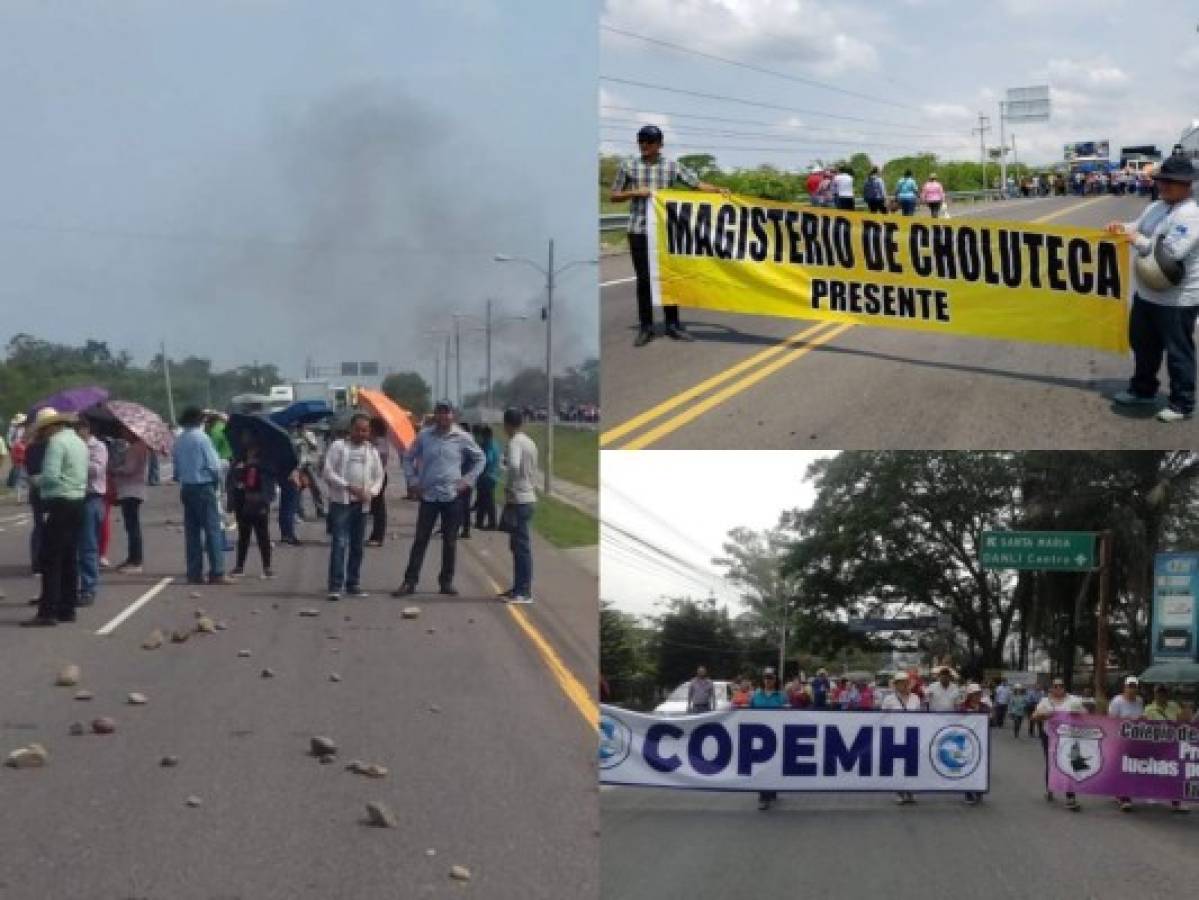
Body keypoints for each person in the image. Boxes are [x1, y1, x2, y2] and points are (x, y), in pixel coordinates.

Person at [610, 124, 727, 347]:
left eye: (649, 141)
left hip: (665, 232)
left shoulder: (672, 167)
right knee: (644, 281)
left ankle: (672, 324)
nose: (644, 145)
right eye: (641, 141)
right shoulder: (628, 166)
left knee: (669, 277)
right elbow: (614, 195)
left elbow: (696, 184)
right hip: (639, 230)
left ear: (660, 145)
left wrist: (719, 190)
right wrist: (635, 192)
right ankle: (646, 327)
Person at [1105, 155, 1199, 422]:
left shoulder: (1191, 216)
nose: (1165, 185)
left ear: (1187, 185)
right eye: (1162, 180)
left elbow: (1170, 252)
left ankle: (1182, 403)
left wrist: (1136, 239)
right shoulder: (1156, 206)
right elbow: (1136, 227)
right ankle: (1143, 390)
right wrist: (1120, 227)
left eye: (1172, 182)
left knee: (1178, 352)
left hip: (1178, 299)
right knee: (1143, 346)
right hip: (1147, 294)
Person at [393, 403, 482, 597]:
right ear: (435, 415)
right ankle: (409, 581)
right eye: (439, 413)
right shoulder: (425, 436)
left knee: (450, 541)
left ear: (453, 416)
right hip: (429, 495)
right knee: (421, 539)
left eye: (446, 413)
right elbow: (408, 457)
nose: (443, 417)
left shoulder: (462, 437)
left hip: (452, 496)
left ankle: (446, 582)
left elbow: (480, 458)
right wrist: (413, 480)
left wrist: (468, 480)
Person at [22, 411, 87, 627]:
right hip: (78, 500)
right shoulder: (78, 442)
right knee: (69, 557)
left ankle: (47, 611)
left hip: (59, 501)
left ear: (50, 427)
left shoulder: (56, 444)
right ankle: (67, 608)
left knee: (50, 559)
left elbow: (50, 476)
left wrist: (35, 480)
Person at [323, 413, 384, 601]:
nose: (361, 433)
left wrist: (370, 493)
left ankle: (353, 584)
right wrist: (348, 486)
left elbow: (379, 476)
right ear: (351, 429)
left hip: (362, 504)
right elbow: (327, 472)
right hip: (342, 502)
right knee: (340, 544)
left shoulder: (371, 451)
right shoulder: (338, 447)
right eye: (358, 429)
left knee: (357, 546)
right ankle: (335, 586)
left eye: (365, 430)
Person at [172, 407, 231, 586]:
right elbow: (214, 466)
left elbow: (176, 470)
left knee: (192, 532)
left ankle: (194, 572)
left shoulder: (180, 439)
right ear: (199, 421)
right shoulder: (202, 438)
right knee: (212, 530)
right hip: (203, 486)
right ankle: (217, 572)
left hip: (187, 486)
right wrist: (220, 478)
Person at [498, 408, 538, 604]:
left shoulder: (514, 442)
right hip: (529, 495)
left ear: (507, 424)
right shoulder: (529, 442)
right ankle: (518, 587)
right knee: (518, 546)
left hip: (519, 497)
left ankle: (523, 591)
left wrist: (510, 485)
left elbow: (512, 465)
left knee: (520, 548)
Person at [1031, 678, 1086, 811]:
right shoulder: (1045, 701)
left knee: (1070, 764)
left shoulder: (1074, 700)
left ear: (1064, 687)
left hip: (1069, 736)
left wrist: (1078, 712)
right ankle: (1050, 788)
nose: (1058, 688)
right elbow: (1034, 716)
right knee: (1051, 763)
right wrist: (1042, 714)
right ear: (1051, 688)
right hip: (1049, 736)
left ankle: (1070, 797)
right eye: (1055, 686)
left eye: (1061, 685)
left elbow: (1086, 714)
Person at [228, 440, 277, 579]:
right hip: (242, 502)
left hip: (259, 502)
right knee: (243, 535)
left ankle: (267, 567)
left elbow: (269, 481)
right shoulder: (238, 460)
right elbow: (231, 479)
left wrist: (253, 466)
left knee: (263, 535)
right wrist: (232, 499)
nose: (249, 448)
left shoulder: (265, 463)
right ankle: (239, 566)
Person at [74, 417, 107, 607]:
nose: (78, 434)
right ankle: (77, 587)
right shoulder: (75, 446)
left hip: (91, 498)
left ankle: (88, 588)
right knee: (74, 546)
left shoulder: (98, 447)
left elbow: (96, 470)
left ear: (87, 429)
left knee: (88, 546)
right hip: (76, 498)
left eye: (80, 429)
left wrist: (79, 458)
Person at [1144, 683, 1189, 813]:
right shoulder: (1148, 709)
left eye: (1163, 692)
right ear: (1155, 694)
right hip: (1156, 745)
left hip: (1173, 745)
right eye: (1158, 693)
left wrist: (1184, 709)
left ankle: (1176, 802)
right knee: (1156, 771)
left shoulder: (1174, 706)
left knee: (1175, 772)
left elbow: (1183, 721)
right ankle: (1153, 793)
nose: (1161, 695)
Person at [109, 427, 149, 574]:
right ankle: (132, 558)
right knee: (131, 527)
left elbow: (129, 469)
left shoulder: (135, 448)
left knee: (132, 528)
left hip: (130, 490)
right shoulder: (141, 446)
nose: (122, 433)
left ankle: (136, 560)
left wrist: (115, 470)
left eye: (125, 431)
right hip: (135, 489)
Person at [882, 671, 922, 804]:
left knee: (911, 764)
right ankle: (899, 792)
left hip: (912, 734)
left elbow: (920, 716)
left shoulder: (915, 698)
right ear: (895, 685)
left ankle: (910, 791)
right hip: (895, 736)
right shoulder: (889, 699)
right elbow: (883, 717)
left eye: (905, 682)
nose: (904, 685)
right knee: (898, 765)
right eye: (900, 683)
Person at [751, 668, 788, 810]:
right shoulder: (755, 696)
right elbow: (748, 714)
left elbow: (788, 714)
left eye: (771, 678)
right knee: (761, 765)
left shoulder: (781, 696)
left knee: (774, 764)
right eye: (766, 678)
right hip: (759, 736)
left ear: (775, 679)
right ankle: (763, 796)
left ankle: (772, 790)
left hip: (777, 735)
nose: (768, 680)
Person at [1107, 676, 1145, 812]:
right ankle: (1124, 796)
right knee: (1123, 767)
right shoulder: (1117, 701)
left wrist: (1141, 719)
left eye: (1134, 686)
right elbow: (1111, 720)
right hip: (1120, 740)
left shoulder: (1139, 701)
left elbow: (1141, 718)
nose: (1132, 689)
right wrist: (1128, 720)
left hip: (1135, 740)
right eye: (1130, 686)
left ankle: (1122, 792)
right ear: (1124, 687)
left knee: (1131, 767)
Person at [960, 684, 992, 805]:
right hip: (967, 741)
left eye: (978, 693)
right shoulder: (963, 707)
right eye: (974, 694)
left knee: (980, 766)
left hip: (982, 740)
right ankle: (968, 793)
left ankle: (978, 791)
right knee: (967, 766)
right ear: (969, 695)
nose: (977, 696)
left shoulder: (984, 707)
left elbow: (991, 718)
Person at [366, 417, 390, 547]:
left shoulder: (380, 442)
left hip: (379, 477)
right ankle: (374, 535)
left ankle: (378, 536)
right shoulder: (372, 441)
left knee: (378, 507)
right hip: (369, 477)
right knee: (375, 507)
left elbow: (382, 460)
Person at [474, 425, 501, 531]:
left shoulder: (487, 445)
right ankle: (481, 521)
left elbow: (488, 460)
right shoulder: (495, 444)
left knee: (486, 501)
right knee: (485, 500)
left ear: (484, 435)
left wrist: (480, 468)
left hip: (486, 477)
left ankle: (490, 522)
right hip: (493, 476)